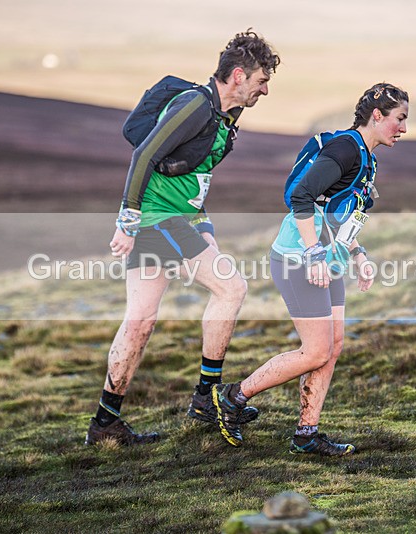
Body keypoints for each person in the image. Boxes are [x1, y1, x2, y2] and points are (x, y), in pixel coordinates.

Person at [85, 30, 281, 446]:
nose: (265, 90)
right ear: (239, 75)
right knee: (232, 288)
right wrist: (127, 219)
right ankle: (206, 398)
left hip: (176, 220)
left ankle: (105, 422)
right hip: (158, 220)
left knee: (140, 321)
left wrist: (204, 228)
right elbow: (144, 154)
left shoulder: (224, 118)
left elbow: (195, 179)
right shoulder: (195, 104)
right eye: (262, 80)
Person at [212, 83, 409, 455]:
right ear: (377, 115)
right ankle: (233, 397)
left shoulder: (368, 158)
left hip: (327, 261)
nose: (403, 129)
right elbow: (301, 197)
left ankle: (306, 434)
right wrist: (315, 255)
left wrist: (358, 255)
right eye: (399, 119)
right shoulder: (345, 148)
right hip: (298, 259)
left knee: (333, 346)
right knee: (316, 351)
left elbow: (341, 215)